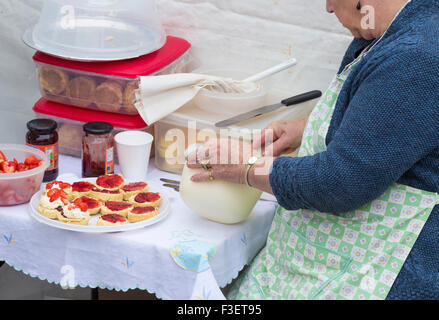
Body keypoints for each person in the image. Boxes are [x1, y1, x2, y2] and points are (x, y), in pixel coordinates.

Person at [186, 0, 439, 300]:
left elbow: (341, 182)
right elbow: (388, 120)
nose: (328, 8)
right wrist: (311, 125)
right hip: (315, 263)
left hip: (369, 273)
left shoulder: (418, 56)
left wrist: (246, 167)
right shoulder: (388, 29)